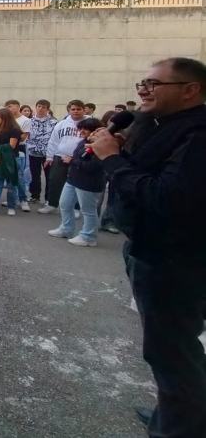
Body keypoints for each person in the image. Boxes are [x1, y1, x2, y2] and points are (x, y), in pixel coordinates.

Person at [89, 57, 206, 436]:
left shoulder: (197, 135)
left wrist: (111, 159)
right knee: (169, 349)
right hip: (146, 247)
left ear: (191, 90)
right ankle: (173, 411)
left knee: (171, 351)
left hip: (173, 259)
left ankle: (178, 427)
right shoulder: (158, 125)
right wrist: (120, 146)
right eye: (143, 83)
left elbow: (164, 197)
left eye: (155, 84)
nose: (144, 90)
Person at [47, 118, 104, 246]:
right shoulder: (83, 142)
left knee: (88, 210)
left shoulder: (101, 145)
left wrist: (72, 161)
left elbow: (94, 166)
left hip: (89, 183)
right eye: (81, 128)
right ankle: (66, 229)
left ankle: (89, 236)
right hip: (73, 179)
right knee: (65, 203)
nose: (82, 131)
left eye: (86, 129)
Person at [39, 100, 86, 214]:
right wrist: (49, 157)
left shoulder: (89, 124)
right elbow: (53, 141)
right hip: (60, 156)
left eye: (78, 109)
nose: (75, 111)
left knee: (77, 183)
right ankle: (52, 204)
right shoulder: (61, 124)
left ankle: (76, 208)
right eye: (73, 109)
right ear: (69, 110)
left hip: (79, 158)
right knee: (55, 181)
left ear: (83, 110)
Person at [27, 99, 57, 204]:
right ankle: (34, 195)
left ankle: (48, 198)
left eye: (43, 107)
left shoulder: (53, 122)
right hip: (33, 152)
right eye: (39, 106)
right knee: (34, 175)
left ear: (47, 109)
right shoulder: (29, 121)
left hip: (47, 154)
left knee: (49, 176)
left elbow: (55, 138)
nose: (40, 109)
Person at [5, 99, 32, 212]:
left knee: (19, 176)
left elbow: (23, 137)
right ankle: (13, 198)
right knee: (10, 176)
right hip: (6, 148)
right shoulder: (8, 120)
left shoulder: (25, 120)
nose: (9, 109)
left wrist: (11, 136)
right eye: (7, 107)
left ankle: (23, 199)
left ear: (17, 106)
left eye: (10, 106)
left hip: (19, 149)